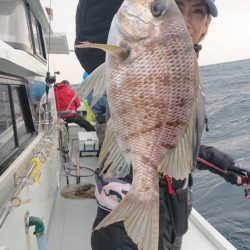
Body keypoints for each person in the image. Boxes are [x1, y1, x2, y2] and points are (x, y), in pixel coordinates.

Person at [74, 0, 248, 249]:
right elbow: (92, 31)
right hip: (121, 227)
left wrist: (224, 165)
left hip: (172, 223)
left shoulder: (192, 86)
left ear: (207, 24)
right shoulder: (126, 47)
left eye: (198, 11)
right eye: (175, 5)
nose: (187, 20)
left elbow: (177, 148)